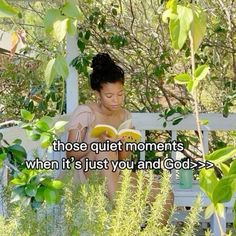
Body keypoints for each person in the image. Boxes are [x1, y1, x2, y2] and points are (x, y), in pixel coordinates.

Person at [65, 53, 173, 219]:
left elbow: (122, 159)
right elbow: (70, 154)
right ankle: (121, 214)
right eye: (109, 96)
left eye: (120, 94)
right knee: (105, 150)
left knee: (165, 194)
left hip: (115, 174)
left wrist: (122, 146)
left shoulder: (125, 116)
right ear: (97, 94)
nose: (116, 100)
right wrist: (97, 142)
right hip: (89, 177)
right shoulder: (86, 112)